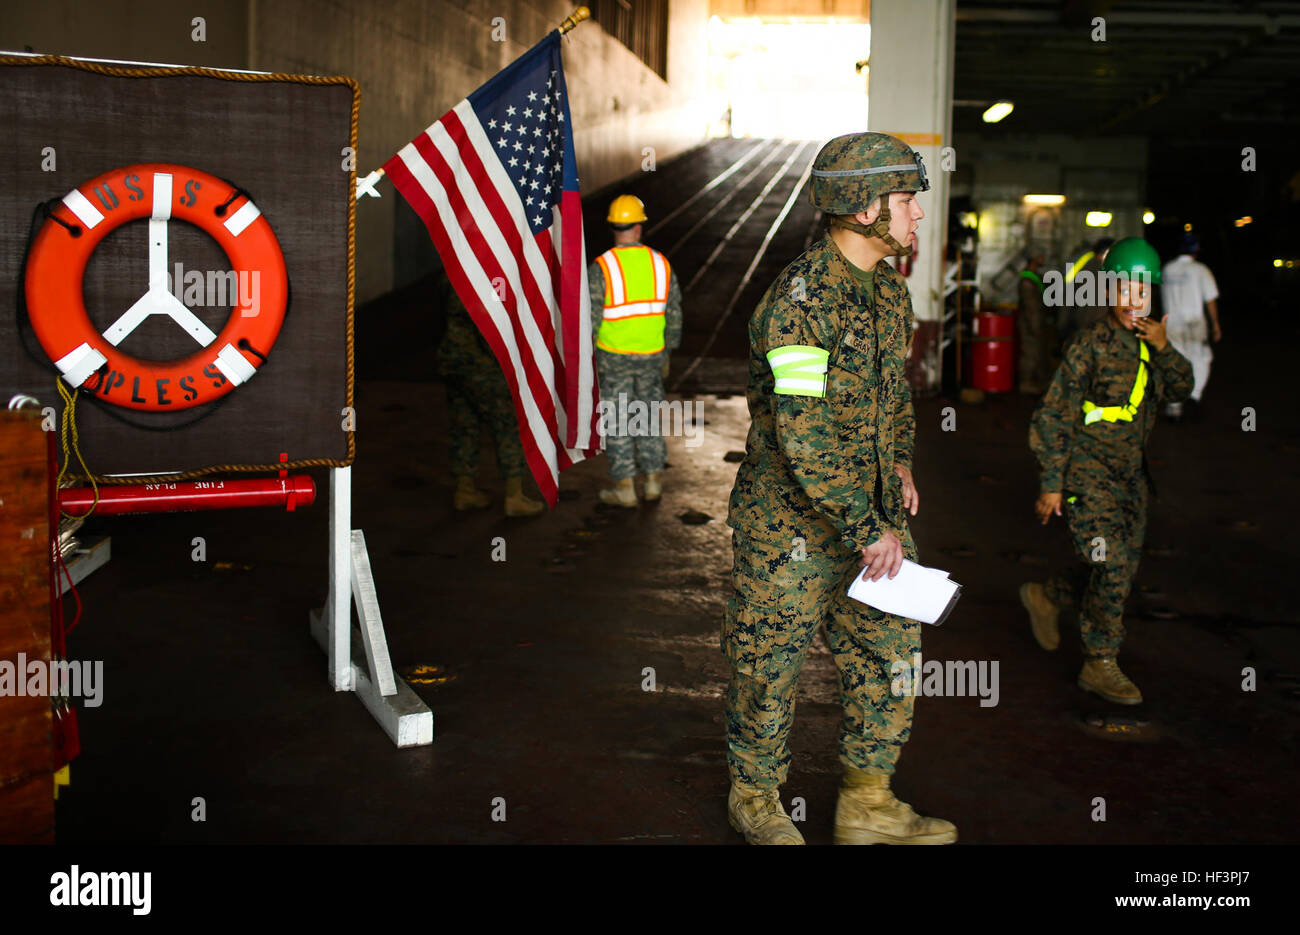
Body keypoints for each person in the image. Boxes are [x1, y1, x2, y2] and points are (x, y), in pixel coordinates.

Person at [723, 132, 955, 846]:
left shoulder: (889, 288)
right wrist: (865, 525)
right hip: (791, 528)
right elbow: (802, 431)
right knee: (769, 664)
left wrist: (903, 465)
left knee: (890, 656)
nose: (917, 214)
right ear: (861, 208)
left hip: (870, 519)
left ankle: (867, 801)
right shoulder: (798, 302)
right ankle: (756, 796)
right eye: (906, 200)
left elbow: (893, 399)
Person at [1021, 237, 1192, 704]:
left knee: (1114, 566)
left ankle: (1049, 596)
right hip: (1087, 474)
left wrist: (1165, 348)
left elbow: (1182, 389)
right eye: (1124, 287)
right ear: (1109, 290)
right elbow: (1053, 415)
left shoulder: (1153, 343)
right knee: (1110, 564)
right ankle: (1100, 663)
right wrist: (1052, 484)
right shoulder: (1090, 345)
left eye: (1143, 290)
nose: (1134, 299)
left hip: (1132, 479)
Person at [588, 195, 683, 507]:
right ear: (639, 228)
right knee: (648, 417)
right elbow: (674, 313)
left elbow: (590, 317)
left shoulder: (602, 267)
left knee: (616, 420)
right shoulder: (660, 263)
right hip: (652, 356)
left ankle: (625, 489)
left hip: (612, 357)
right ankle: (653, 483)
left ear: (612, 227)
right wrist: (668, 352)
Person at [436, 272, 545, 517]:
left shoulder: (452, 270)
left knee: (465, 424)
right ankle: (514, 496)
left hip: (452, 359)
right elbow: (487, 325)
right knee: (508, 424)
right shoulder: (484, 276)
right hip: (481, 365)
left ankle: (465, 491)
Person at [1160, 234, 1220, 421]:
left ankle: (1174, 407)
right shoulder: (1200, 270)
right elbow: (1210, 299)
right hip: (1194, 323)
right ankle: (1194, 396)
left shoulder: (1167, 269)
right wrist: (1215, 325)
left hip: (1172, 324)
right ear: (1195, 250)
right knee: (1201, 359)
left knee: (1175, 363)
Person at [1017, 252, 1051, 393]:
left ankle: (1035, 381)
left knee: (1038, 352)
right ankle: (1026, 382)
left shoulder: (1035, 277)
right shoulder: (1028, 280)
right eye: (1040, 256)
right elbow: (1031, 306)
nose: (1043, 258)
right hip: (1030, 322)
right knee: (1030, 352)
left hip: (1036, 321)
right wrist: (1035, 326)